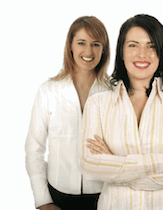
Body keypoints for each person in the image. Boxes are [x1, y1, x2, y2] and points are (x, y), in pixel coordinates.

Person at [79, 14, 163, 210]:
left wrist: (117, 167)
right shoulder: (98, 104)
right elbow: (90, 166)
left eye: (151, 46)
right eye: (133, 45)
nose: (142, 54)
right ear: (121, 52)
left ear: (162, 52)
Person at [25, 16, 110, 210]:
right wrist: (43, 201)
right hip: (58, 197)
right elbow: (34, 148)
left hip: (105, 197)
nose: (88, 51)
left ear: (103, 49)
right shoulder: (48, 91)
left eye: (96, 44)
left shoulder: (114, 92)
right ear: (70, 45)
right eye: (81, 43)